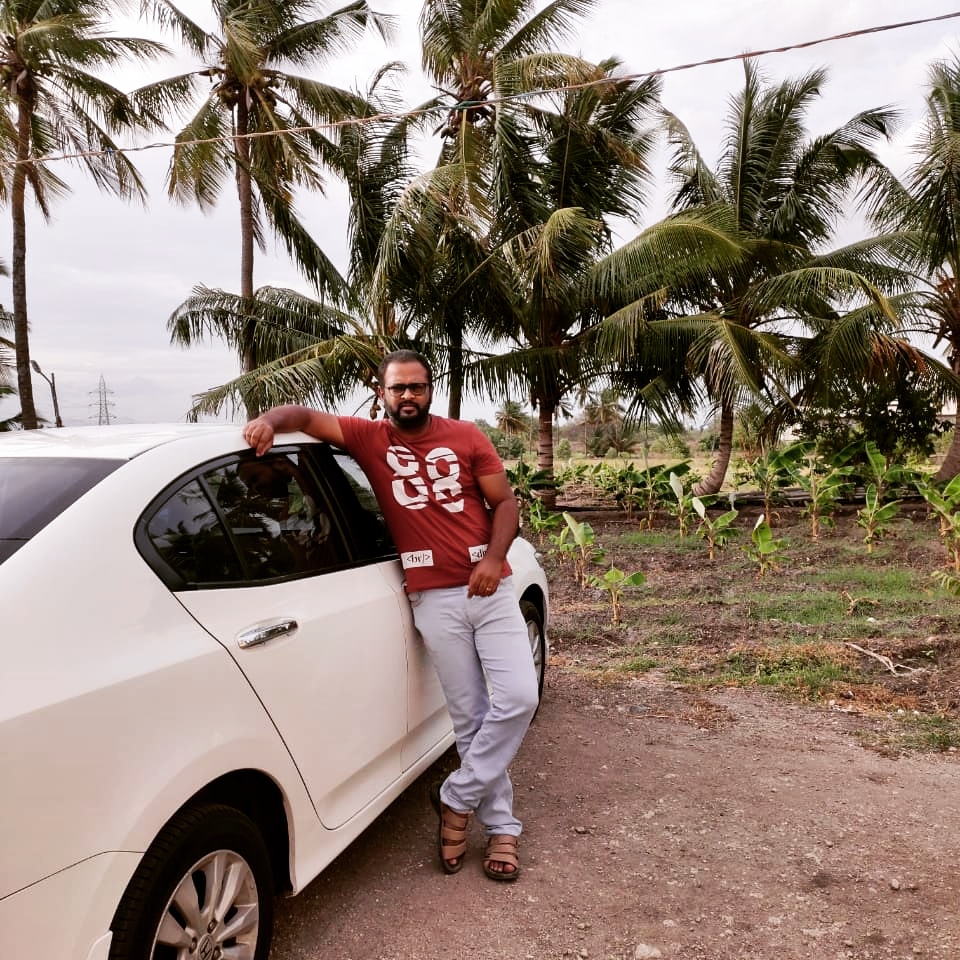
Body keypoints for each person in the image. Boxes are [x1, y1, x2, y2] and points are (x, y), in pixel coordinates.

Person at [243, 349, 540, 881]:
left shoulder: (467, 436)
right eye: (397, 388)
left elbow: (505, 504)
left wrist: (495, 559)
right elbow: (304, 416)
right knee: (471, 717)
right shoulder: (368, 438)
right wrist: (269, 420)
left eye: (416, 387)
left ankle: (454, 797)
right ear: (381, 394)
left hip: (488, 588)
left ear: (430, 390)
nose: (407, 396)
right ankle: (501, 827)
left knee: (519, 697)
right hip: (433, 598)